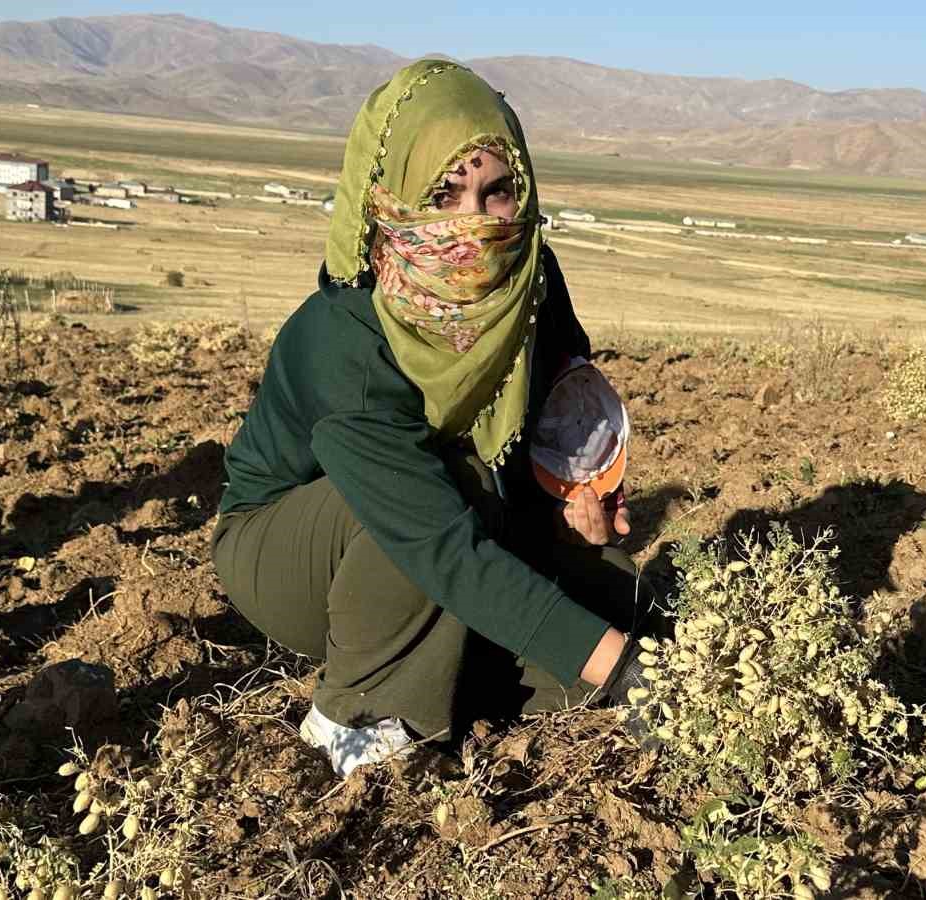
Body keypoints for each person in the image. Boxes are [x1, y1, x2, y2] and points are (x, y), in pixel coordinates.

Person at [211, 60, 654, 779]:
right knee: (461, 492)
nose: (472, 225)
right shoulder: (345, 339)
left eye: (497, 192)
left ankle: (447, 668)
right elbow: (436, 540)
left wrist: (583, 507)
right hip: (299, 552)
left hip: (460, 522)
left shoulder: (533, 281)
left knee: (623, 612)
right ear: (387, 199)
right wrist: (627, 672)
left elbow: (553, 413)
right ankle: (353, 712)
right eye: (442, 195)